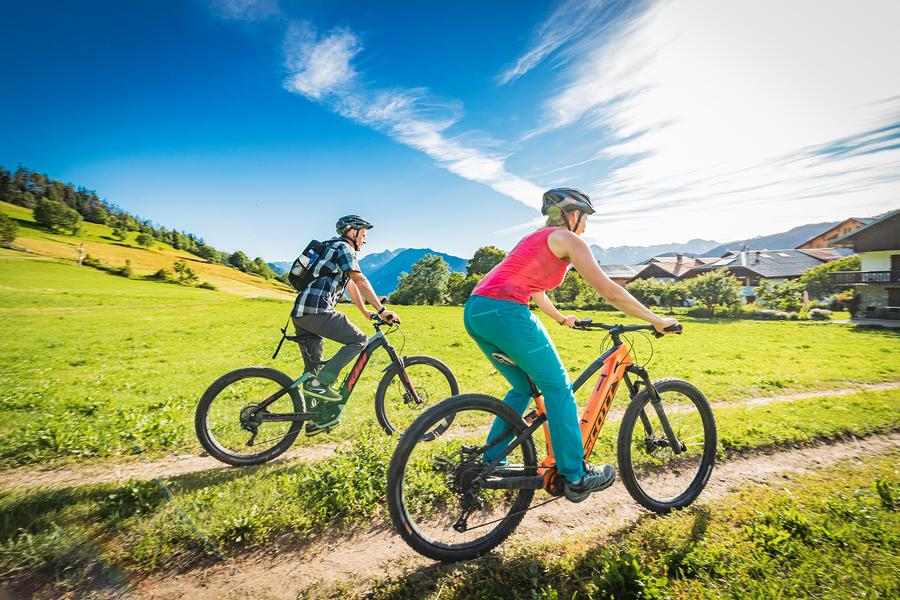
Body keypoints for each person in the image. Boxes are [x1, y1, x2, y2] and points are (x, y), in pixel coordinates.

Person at [464, 188, 679, 502]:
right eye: (585, 217)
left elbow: (534, 289)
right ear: (572, 213)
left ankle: (493, 460)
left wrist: (561, 317)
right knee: (557, 386)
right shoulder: (570, 240)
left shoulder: (534, 239)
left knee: (523, 387)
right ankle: (576, 476)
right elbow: (610, 291)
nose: (586, 226)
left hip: (477, 312)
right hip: (506, 310)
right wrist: (656, 319)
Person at [292, 215, 400, 435]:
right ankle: (321, 384)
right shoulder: (344, 248)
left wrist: (367, 311)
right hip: (317, 310)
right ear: (353, 232)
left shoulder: (332, 248)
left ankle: (315, 419)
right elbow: (359, 279)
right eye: (364, 234)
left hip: (301, 313)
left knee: (313, 370)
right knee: (359, 340)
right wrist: (382, 310)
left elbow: (350, 285)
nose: (365, 240)